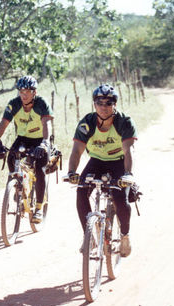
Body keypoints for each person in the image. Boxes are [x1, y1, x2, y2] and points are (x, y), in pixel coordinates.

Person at [66, 84, 137, 257]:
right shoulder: (87, 123)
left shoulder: (124, 122)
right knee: (81, 191)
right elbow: (77, 150)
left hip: (119, 163)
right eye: (100, 103)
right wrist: (72, 172)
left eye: (108, 103)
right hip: (96, 161)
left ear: (115, 104)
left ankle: (125, 236)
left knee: (120, 197)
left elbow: (128, 151)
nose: (104, 107)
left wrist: (127, 174)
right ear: (94, 104)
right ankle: (88, 237)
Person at [0, 75, 54, 223]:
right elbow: (4, 123)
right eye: (21, 91)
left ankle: (38, 208)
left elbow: (46, 124)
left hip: (40, 139)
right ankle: (18, 186)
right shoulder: (14, 103)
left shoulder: (41, 103)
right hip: (23, 138)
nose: (24, 95)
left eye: (27, 92)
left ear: (34, 92)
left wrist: (44, 143)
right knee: (12, 158)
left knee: (40, 170)